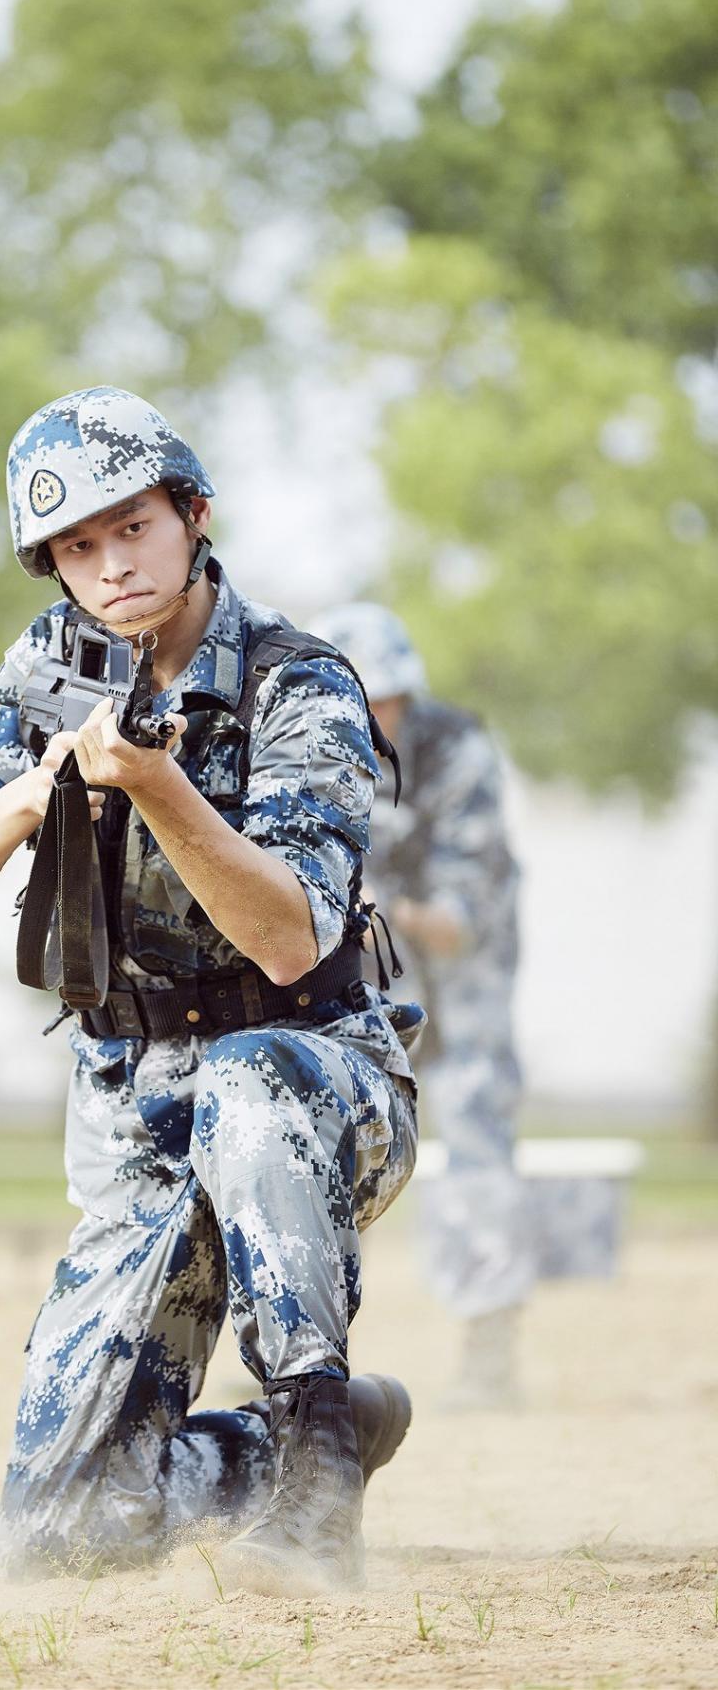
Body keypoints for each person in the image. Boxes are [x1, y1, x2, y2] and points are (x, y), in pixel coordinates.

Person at [0, 387, 421, 1595]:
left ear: (192, 513)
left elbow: (290, 940)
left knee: (246, 1080)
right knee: (55, 1536)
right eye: (76, 547)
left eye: (130, 526)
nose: (109, 564)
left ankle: (317, 1457)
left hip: (317, 1083)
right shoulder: (45, 673)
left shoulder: (302, 682)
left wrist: (150, 782)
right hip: (137, 1116)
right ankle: (269, 1451)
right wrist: (39, 786)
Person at [308, 603, 534, 1410]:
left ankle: (490, 1347)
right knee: (326, 1148)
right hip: (367, 967)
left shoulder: (457, 752)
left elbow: (460, 923)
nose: (381, 715)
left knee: (475, 1138)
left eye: (390, 697)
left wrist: (378, 908)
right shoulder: (315, 749)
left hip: (459, 972)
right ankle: (303, 1363)